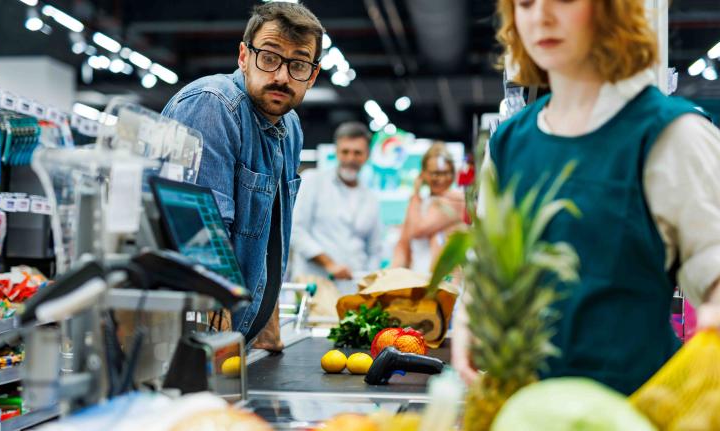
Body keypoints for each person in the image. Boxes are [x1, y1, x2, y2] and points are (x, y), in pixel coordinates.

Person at [453, 0, 720, 395]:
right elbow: (486, 265)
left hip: (635, 406)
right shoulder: (509, 144)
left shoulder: (670, 134)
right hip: (525, 407)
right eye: (524, 3)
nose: (540, 15)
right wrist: (467, 320)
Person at [161, 2, 324, 345]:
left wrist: (267, 321)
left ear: (312, 75)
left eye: (297, 64)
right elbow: (201, 238)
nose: (281, 76)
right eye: (269, 57)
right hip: (187, 340)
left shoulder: (290, 126)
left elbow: (273, 235)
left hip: (240, 337)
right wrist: (212, 346)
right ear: (243, 56)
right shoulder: (213, 106)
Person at [291, 121, 383, 289]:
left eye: (357, 153)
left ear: (367, 155)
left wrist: (369, 282)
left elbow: (375, 248)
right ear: (336, 152)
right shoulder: (313, 181)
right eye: (345, 152)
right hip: (314, 284)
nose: (350, 159)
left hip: (353, 288)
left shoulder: (371, 198)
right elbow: (296, 231)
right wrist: (329, 263)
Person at [391, 143, 465, 274]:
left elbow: (418, 229)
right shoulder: (420, 202)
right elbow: (404, 242)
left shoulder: (457, 201)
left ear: (453, 173)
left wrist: (415, 194)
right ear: (423, 174)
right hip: (418, 279)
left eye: (446, 173)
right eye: (435, 173)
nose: (441, 179)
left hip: (445, 283)